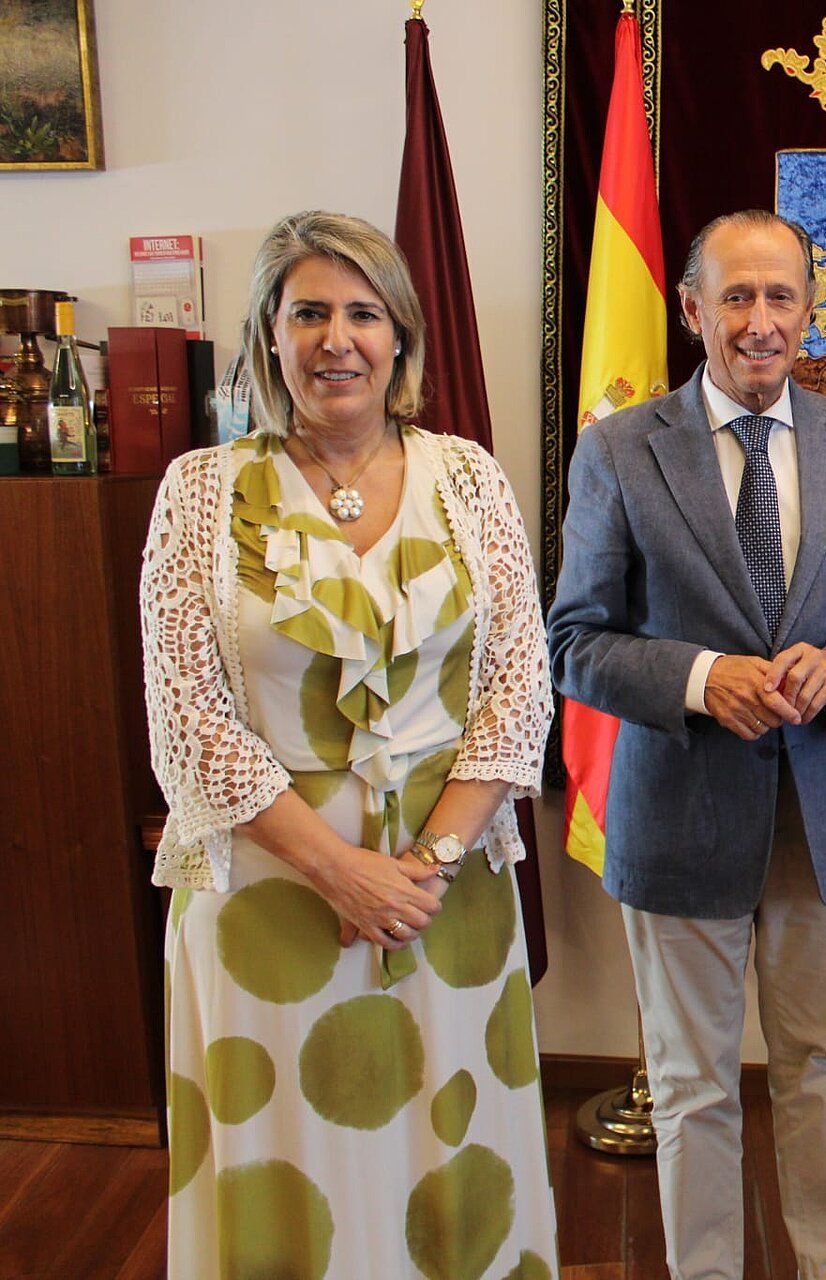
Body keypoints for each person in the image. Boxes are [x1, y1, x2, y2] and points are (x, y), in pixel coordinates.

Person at [140, 210, 556, 1278]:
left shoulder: (468, 478)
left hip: (446, 888)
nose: (338, 337)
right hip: (271, 891)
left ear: (401, 336)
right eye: (309, 311)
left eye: (363, 312)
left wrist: (421, 869)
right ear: (268, 335)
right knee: (290, 1162)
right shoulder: (200, 491)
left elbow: (517, 683)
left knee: (448, 1149)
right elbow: (187, 716)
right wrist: (339, 872)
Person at [547, 208, 826, 1280]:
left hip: (825, 817)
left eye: (781, 297)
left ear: (811, 308)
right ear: (693, 308)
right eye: (738, 297)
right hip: (678, 817)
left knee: (821, 1068)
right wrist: (703, 680)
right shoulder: (619, 449)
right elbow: (574, 640)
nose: (761, 321)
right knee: (693, 1081)